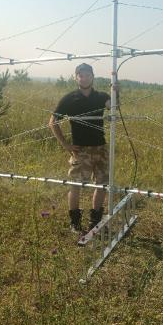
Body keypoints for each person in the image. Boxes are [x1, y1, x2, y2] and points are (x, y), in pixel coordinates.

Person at [49, 63, 111, 234]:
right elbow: (53, 122)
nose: (84, 78)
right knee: (75, 185)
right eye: (81, 75)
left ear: (93, 77)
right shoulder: (70, 99)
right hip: (80, 150)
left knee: (102, 185)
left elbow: (114, 107)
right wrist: (65, 144)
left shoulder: (102, 96)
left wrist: (116, 91)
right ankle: (75, 223)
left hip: (100, 149)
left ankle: (95, 221)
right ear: (76, 78)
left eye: (87, 75)